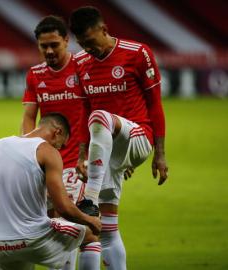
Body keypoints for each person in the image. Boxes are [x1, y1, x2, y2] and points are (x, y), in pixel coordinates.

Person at [69, 6, 169, 270]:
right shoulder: (79, 63)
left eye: (91, 42)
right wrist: (81, 155)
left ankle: (88, 198)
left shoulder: (138, 53)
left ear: (104, 30)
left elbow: (155, 105)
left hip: (138, 137)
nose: (88, 49)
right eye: (82, 44)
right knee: (107, 229)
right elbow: (83, 111)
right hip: (106, 154)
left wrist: (160, 154)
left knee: (100, 116)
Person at [21, 15, 101, 270]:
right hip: (47, 163)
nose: (49, 51)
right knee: (56, 226)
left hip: (82, 163)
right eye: (43, 46)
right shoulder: (35, 75)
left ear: (67, 40)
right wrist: (27, 151)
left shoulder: (83, 66)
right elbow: (28, 117)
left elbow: (100, 109)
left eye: (55, 44)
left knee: (77, 226)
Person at [0, 113, 101, 270]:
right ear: (57, 132)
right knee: (90, 235)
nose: (59, 149)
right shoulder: (48, 152)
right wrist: (90, 221)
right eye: (61, 145)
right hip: (31, 239)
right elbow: (64, 208)